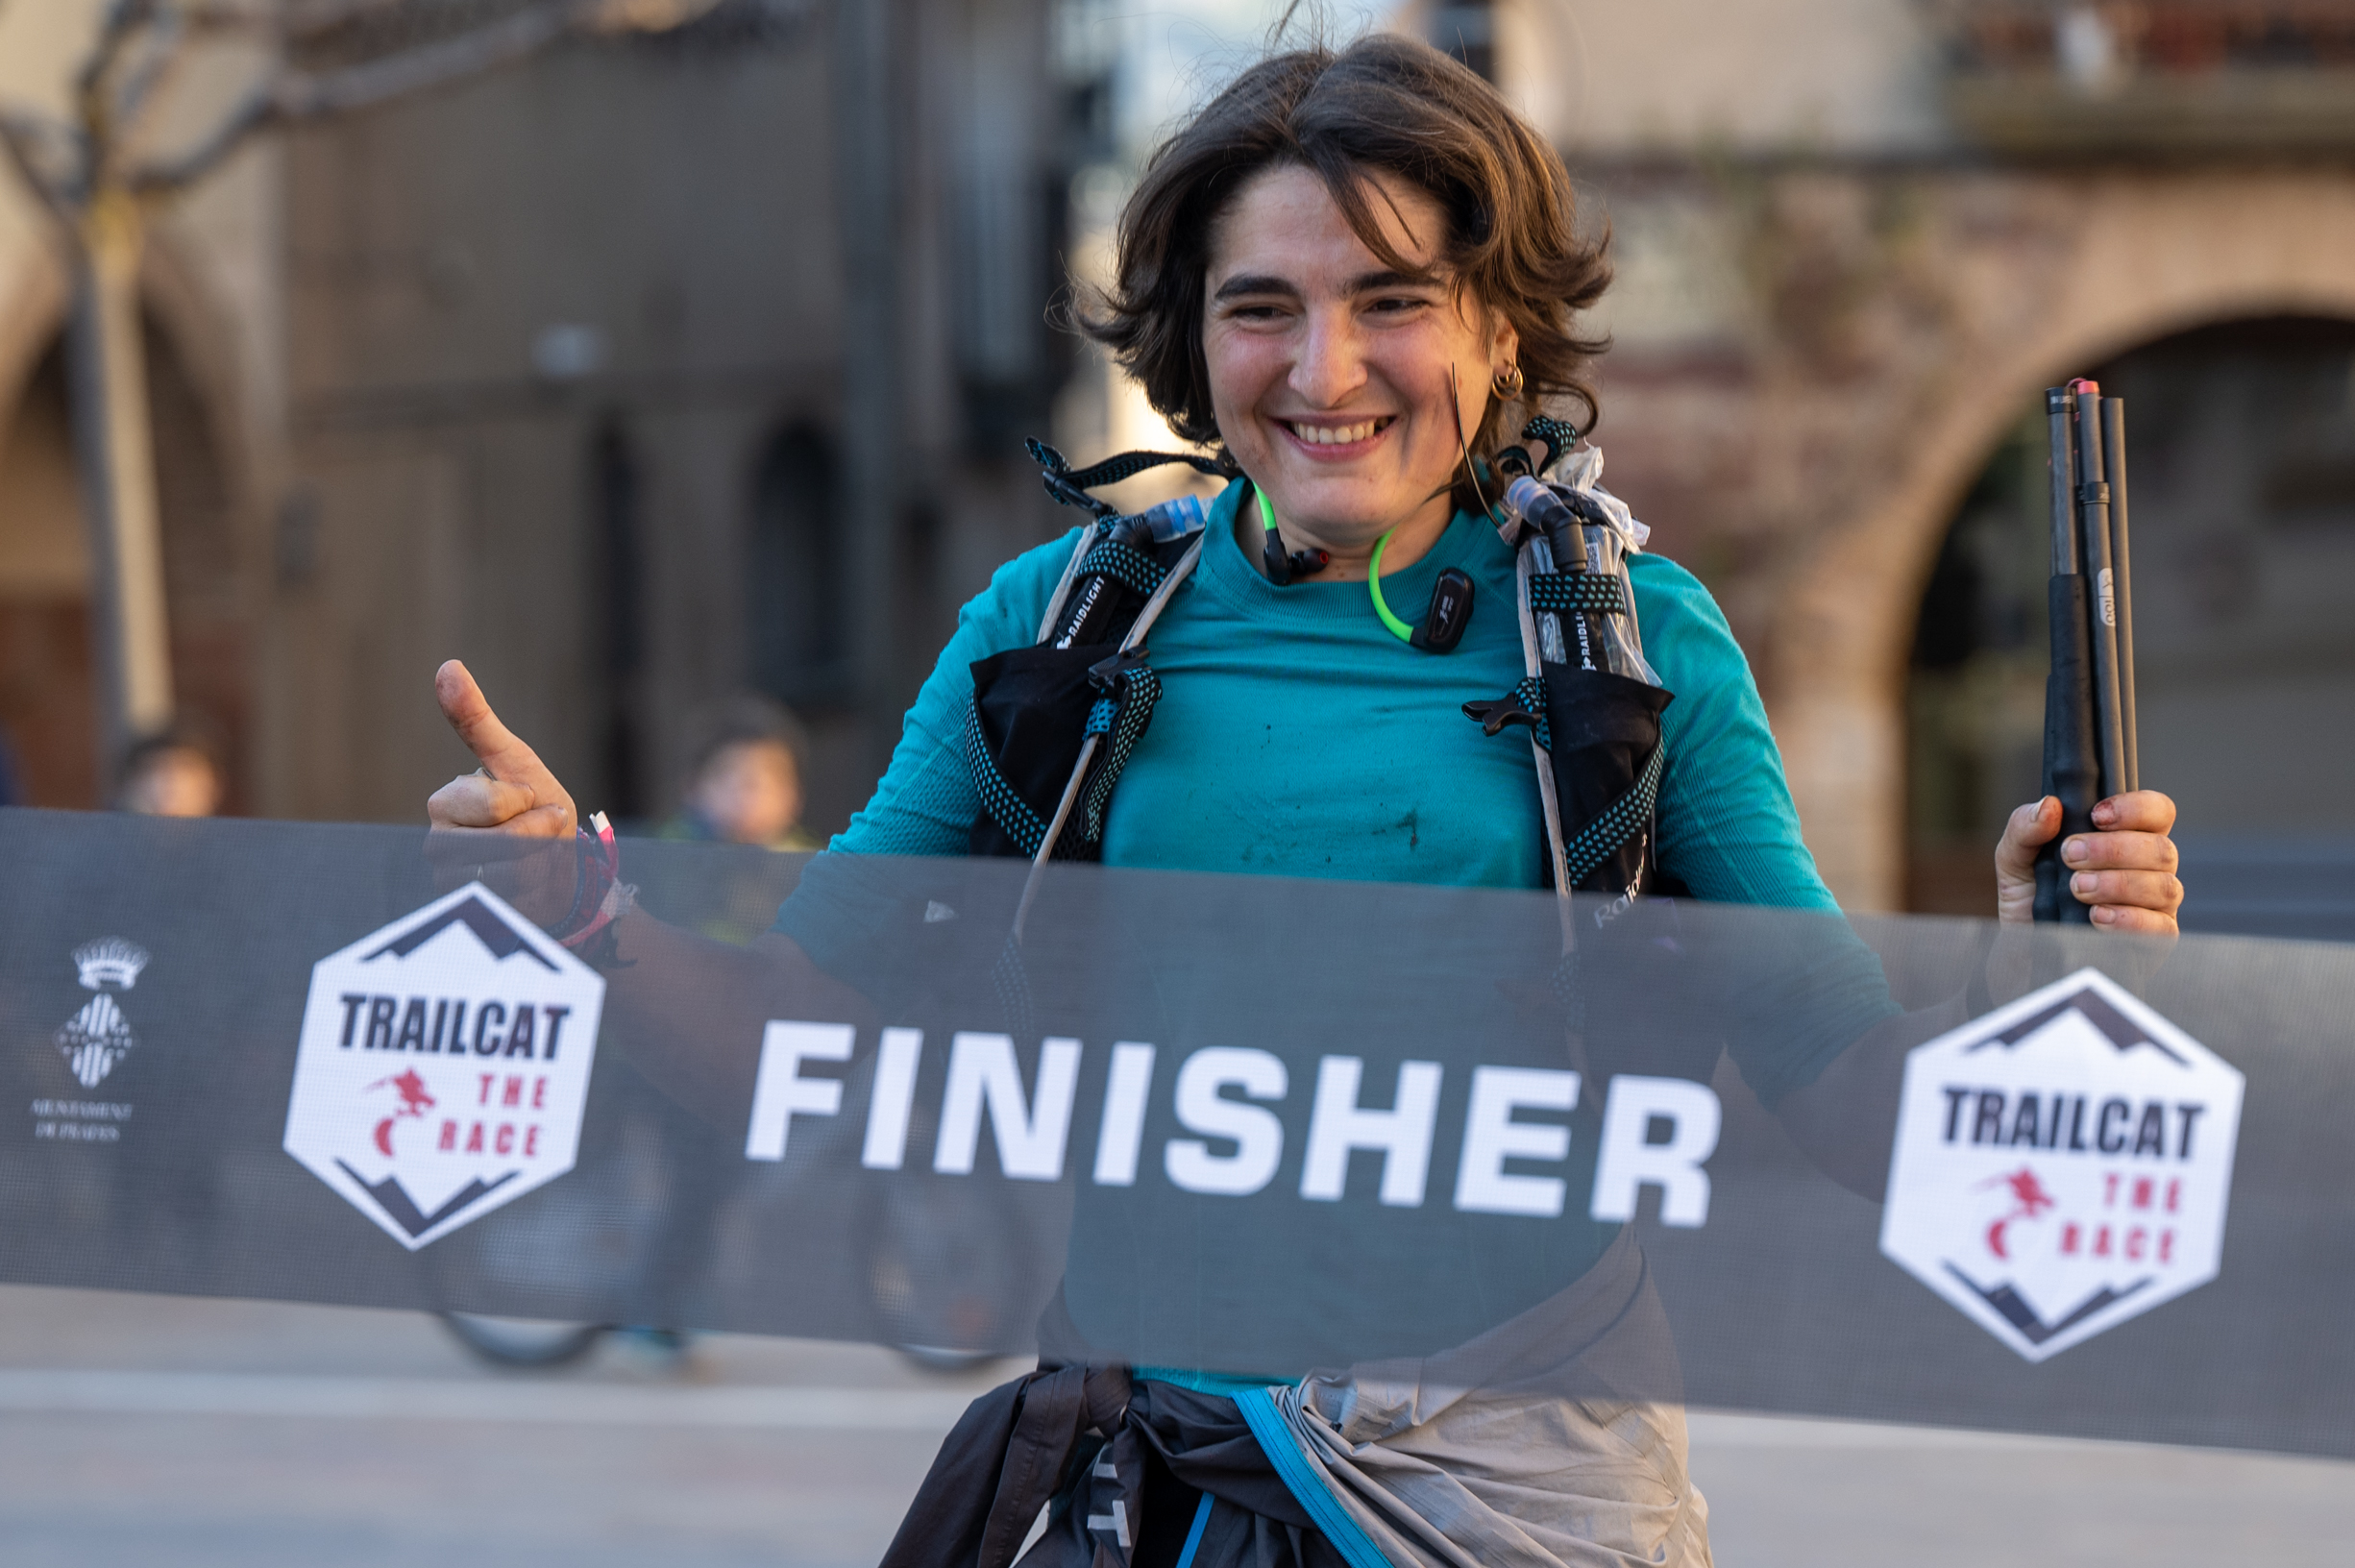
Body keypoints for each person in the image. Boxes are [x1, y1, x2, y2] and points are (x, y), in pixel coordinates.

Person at [425, 35, 2182, 1566]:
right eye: (1262, 306)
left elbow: (1846, 1103)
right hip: (1155, 1474)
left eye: (1392, 300)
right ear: (1193, 343)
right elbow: (776, 1049)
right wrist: (575, 916)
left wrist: (2044, 986)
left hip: (1513, 1488)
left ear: (1497, 330)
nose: (1323, 371)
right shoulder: (1055, 632)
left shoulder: (1635, 650)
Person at [658, 695, 820, 852]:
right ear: (691, 788)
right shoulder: (660, 856)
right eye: (728, 778)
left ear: (795, 795)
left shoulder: (816, 866)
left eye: (770, 780)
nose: (749, 799)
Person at [117, 728, 222, 818]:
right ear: (131, 783)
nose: (172, 780)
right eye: (157, 768)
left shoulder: (230, 839)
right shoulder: (107, 838)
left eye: (186, 767)